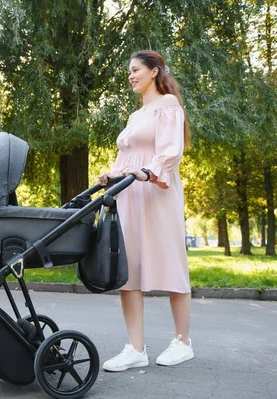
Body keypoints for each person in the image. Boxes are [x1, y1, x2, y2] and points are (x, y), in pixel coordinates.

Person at [98, 50, 193, 372]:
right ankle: (135, 348)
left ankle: (183, 342)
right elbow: (127, 157)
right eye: (129, 71)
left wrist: (147, 173)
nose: (131, 75)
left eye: (136, 69)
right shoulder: (136, 115)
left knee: (171, 264)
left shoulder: (167, 106)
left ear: (154, 72)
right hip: (129, 195)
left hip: (157, 194)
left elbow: (170, 152)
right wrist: (112, 175)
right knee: (130, 269)